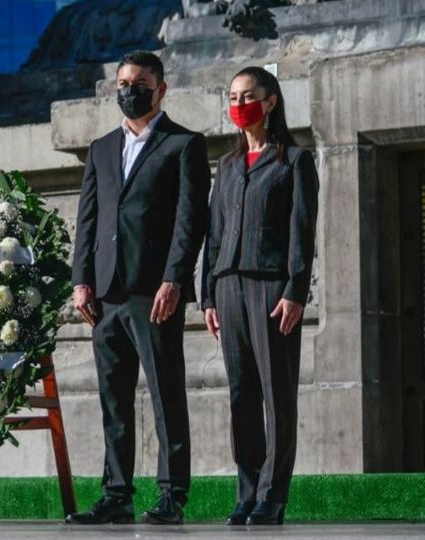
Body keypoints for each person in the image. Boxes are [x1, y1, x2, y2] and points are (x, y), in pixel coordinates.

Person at [68, 50, 210, 525]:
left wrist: (175, 278)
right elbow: (87, 220)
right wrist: (80, 282)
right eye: (124, 84)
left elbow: (190, 222)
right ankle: (116, 494)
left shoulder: (183, 145)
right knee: (113, 396)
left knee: (167, 392)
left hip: (154, 293)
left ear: (160, 89)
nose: (130, 91)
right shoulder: (102, 148)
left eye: (140, 83)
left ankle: (172, 494)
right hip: (104, 294)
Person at [201, 66, 319, 526]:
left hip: (272, 287)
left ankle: (273, 494)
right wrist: (207, 293)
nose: (238, 104)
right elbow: (214, 233)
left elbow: (302, 231)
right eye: (232, 96)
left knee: (276, 392)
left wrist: (295, 290)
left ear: (270, 102)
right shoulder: (228, 166)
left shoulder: (293, 161)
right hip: (228, 286)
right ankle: (247, 491)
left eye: (247, 95)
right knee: (240, 394)